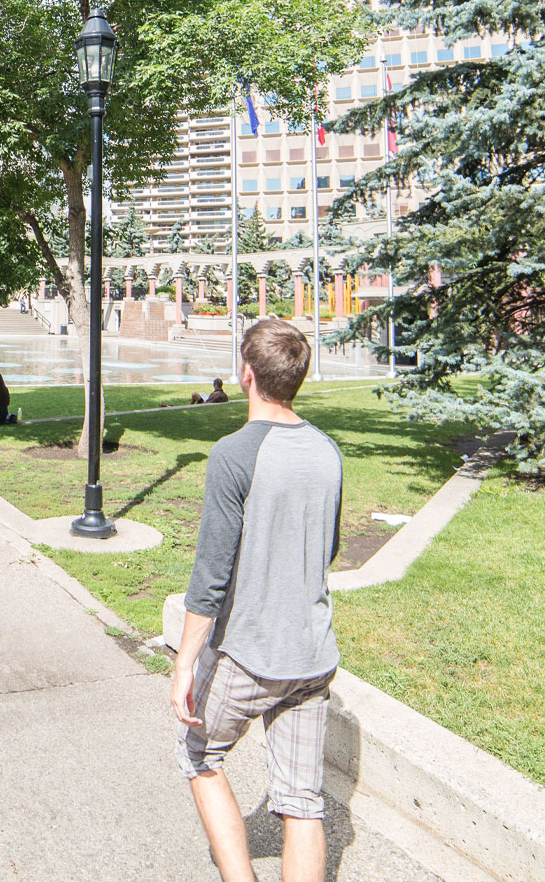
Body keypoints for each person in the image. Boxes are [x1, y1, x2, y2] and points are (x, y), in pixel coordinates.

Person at [170, 319, 343, 882]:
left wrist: (184, 664)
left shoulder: (232, 453)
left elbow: (211, 575)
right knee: (302, 800)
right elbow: (329, 549)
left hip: (250, 653)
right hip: (313, 655)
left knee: (199, 755)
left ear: (246, 375)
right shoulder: (327, 450)